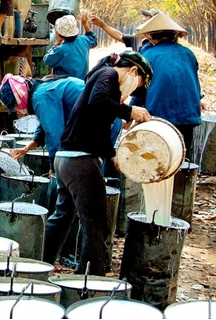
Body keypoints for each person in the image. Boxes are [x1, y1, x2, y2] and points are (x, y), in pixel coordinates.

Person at [43, 51, 153, 276]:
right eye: (138, 84)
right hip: (80, 162)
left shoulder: (103, 79)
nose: (133, 92)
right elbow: (98, 101)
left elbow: (99, 125)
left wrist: (111, 154)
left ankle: (40, 264)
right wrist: (129, 111)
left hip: (66, 160)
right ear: (133, 71)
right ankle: (91, 280)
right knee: (96, 223)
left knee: (63, 216)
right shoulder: (109, 74)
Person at [133, 12, 202, 155]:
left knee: (159, 157)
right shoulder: (188, 53)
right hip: (188, 114)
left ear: (152, 37)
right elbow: (191, 79)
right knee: (182, 155)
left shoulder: (148, 55)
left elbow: (139, 89)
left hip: (159, 114)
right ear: (174, 35)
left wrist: (130, 110)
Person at [0, 73, 85, 174]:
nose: (17, 111)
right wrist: (25, 149)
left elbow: (53, 133)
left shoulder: (40, 96)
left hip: (93, 108)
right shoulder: (40, 89)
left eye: (15, 107)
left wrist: (53, 166)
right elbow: (44, 126)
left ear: (19, 97)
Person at [42, 12, 97, 80]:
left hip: (66, 87)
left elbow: (47, 60)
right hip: (82, 85)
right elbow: (93, 39)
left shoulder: (61, 50)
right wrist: (85, 24)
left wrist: (56, 43)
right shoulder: (84, 40)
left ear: (59, 34)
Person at [89, 8, 159, 52]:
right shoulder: (137, 39)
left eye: (146, 16)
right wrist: (102, 25)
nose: (142, 19)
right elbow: (119, 35)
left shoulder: (160, 42)